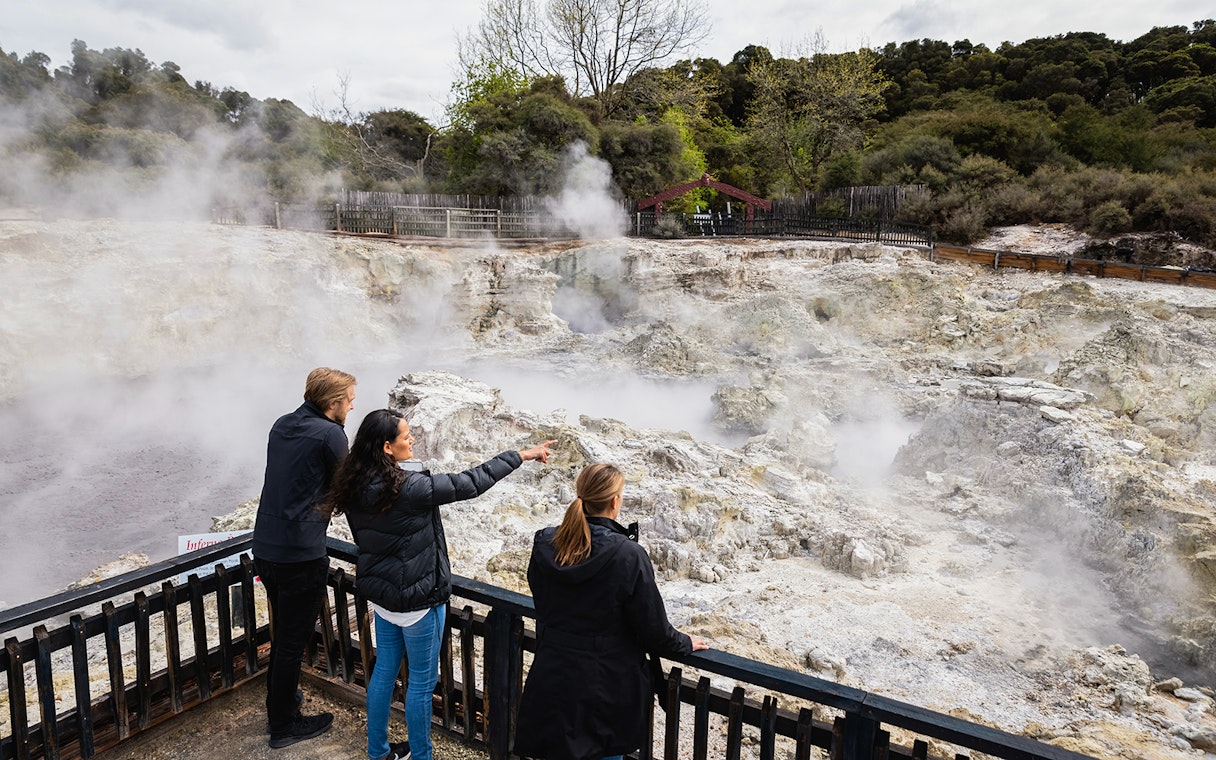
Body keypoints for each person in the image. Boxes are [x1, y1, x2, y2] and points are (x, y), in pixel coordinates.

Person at [322, 408, 556, 760]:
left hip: (384, 599)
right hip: (418, 602)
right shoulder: (409, 488)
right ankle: (421, 756)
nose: (412, 439)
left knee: (384, 672)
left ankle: (377, 751)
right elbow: (471, 482)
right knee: (419, 685)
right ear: (387, 447)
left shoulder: (353, 481)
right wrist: (520, 455)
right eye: (405, 436)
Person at [513, 463, 709, 760]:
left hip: (553, 675)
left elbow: (543, 597)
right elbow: (652, 627)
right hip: (604, 686)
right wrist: (683, 642)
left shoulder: (546, 542)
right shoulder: (628, 555)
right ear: (616, 501)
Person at [252, 366, 356, 749]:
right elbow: (348, 489)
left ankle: (282, 702)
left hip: (265, 547)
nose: (352, 405)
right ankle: (282, 726)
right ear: (333, 404)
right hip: (300, 555)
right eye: (349, 400)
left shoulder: (282, 424)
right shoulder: (332, 434)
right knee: (292, 644)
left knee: (283, 637)